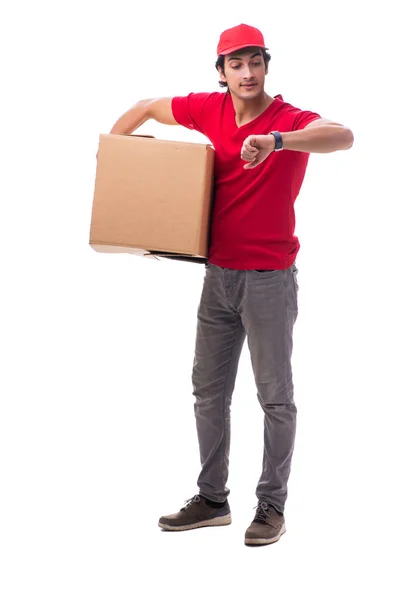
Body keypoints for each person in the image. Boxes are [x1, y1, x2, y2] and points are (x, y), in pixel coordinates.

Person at [107, 23, 354, 546]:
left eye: (255, 62)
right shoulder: (208, 109)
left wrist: (277, 141)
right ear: (221, 72)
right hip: (217, 275)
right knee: (208, 393)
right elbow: (149, 106)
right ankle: (213, 500)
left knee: (274, 397)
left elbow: (343, 136)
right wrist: (115, 155)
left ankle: (270, 506)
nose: (247, 73)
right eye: (235, 64)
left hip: (268, 279)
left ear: (266, 65)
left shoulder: (288, 119)